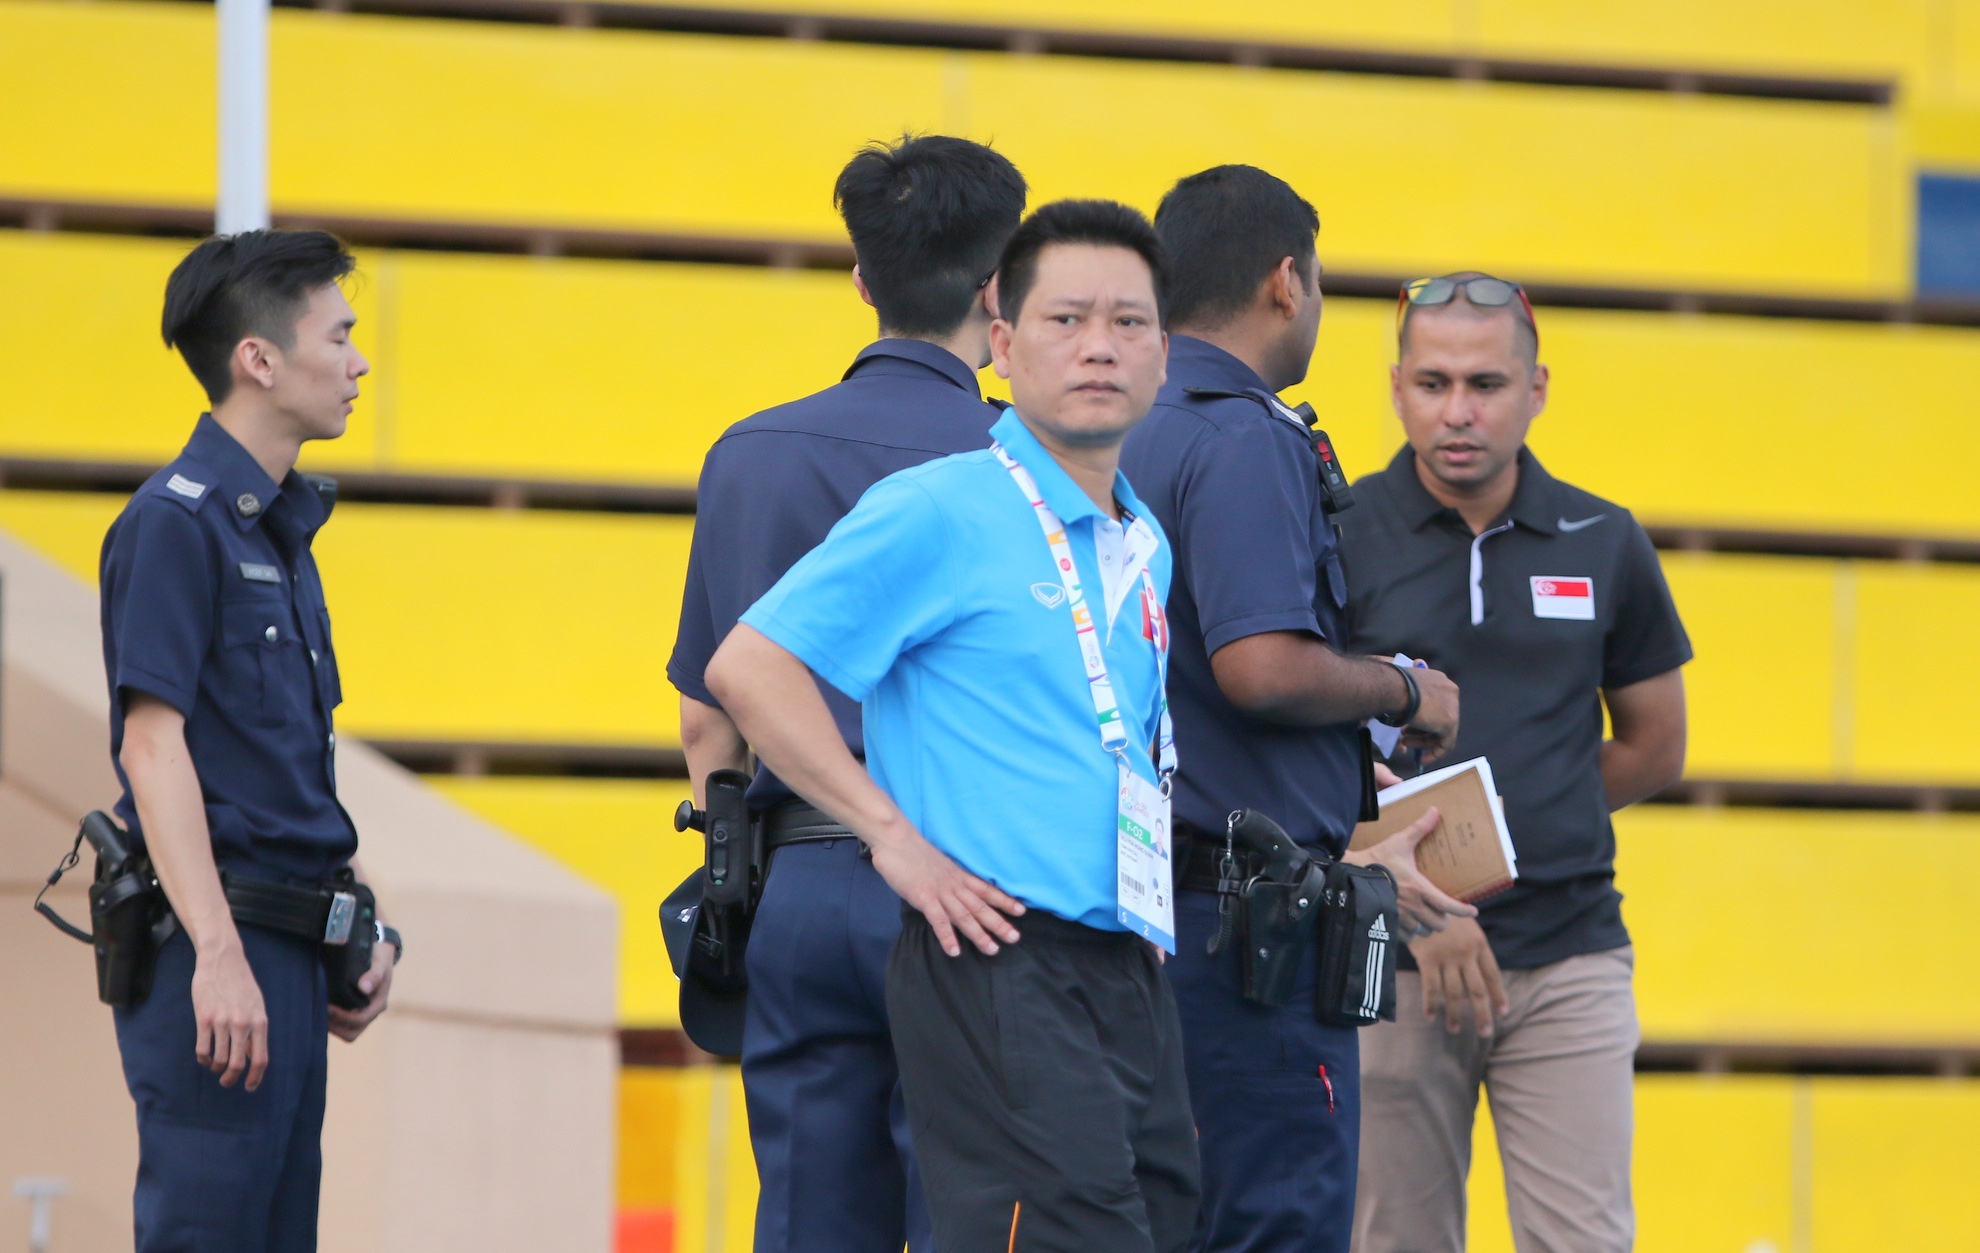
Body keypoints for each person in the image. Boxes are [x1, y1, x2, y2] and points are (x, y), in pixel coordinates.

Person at [705, 200, 1199, 1253]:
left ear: (1165, 353)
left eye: (1129, 322)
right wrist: (891, 836)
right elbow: (748, 666)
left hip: (1124, 955)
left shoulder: (1142, 540)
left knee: (1155, 1223)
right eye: (1066, 319)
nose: (1101, 345)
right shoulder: (942, 504)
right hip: (995, 946)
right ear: (1003, 344)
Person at [666, 134, 1026, 1253]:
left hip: (800, 886)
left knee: (808, 1222)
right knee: (974, 1217)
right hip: (974, 885)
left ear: (863, 279)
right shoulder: (1028, 462)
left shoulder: (748, 453)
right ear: (1001, 288)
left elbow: (708, 717)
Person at [1117, 165, 1472, 1253]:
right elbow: (1261, 667)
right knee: (1272, 1218)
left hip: (1145, 908)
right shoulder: (1242, 435)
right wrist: (1403, 689)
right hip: (1245, 931)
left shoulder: (1122, 424)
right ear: (1286, 280)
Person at [1341, 273, 1692, 1253]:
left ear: (1536, 389)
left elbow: (1655, 744)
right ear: (1397, 388)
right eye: (1434, 382)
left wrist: (1538, 816)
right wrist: (1428, 890)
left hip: (1570, 953)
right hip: (1392, 958)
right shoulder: (1339, 532)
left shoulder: (1604, 536)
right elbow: (1295, 748)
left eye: (1486, 384)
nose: (1458, 411)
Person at [99, 229, 400, 1251]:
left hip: (288, 955)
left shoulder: (276, 530)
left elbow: (280, 769)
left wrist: (362, 923)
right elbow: (152, 749)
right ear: (258, 358)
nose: (361, 362)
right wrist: (218, 955)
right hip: (216, 951)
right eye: (339, 336)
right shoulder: (174, 524)